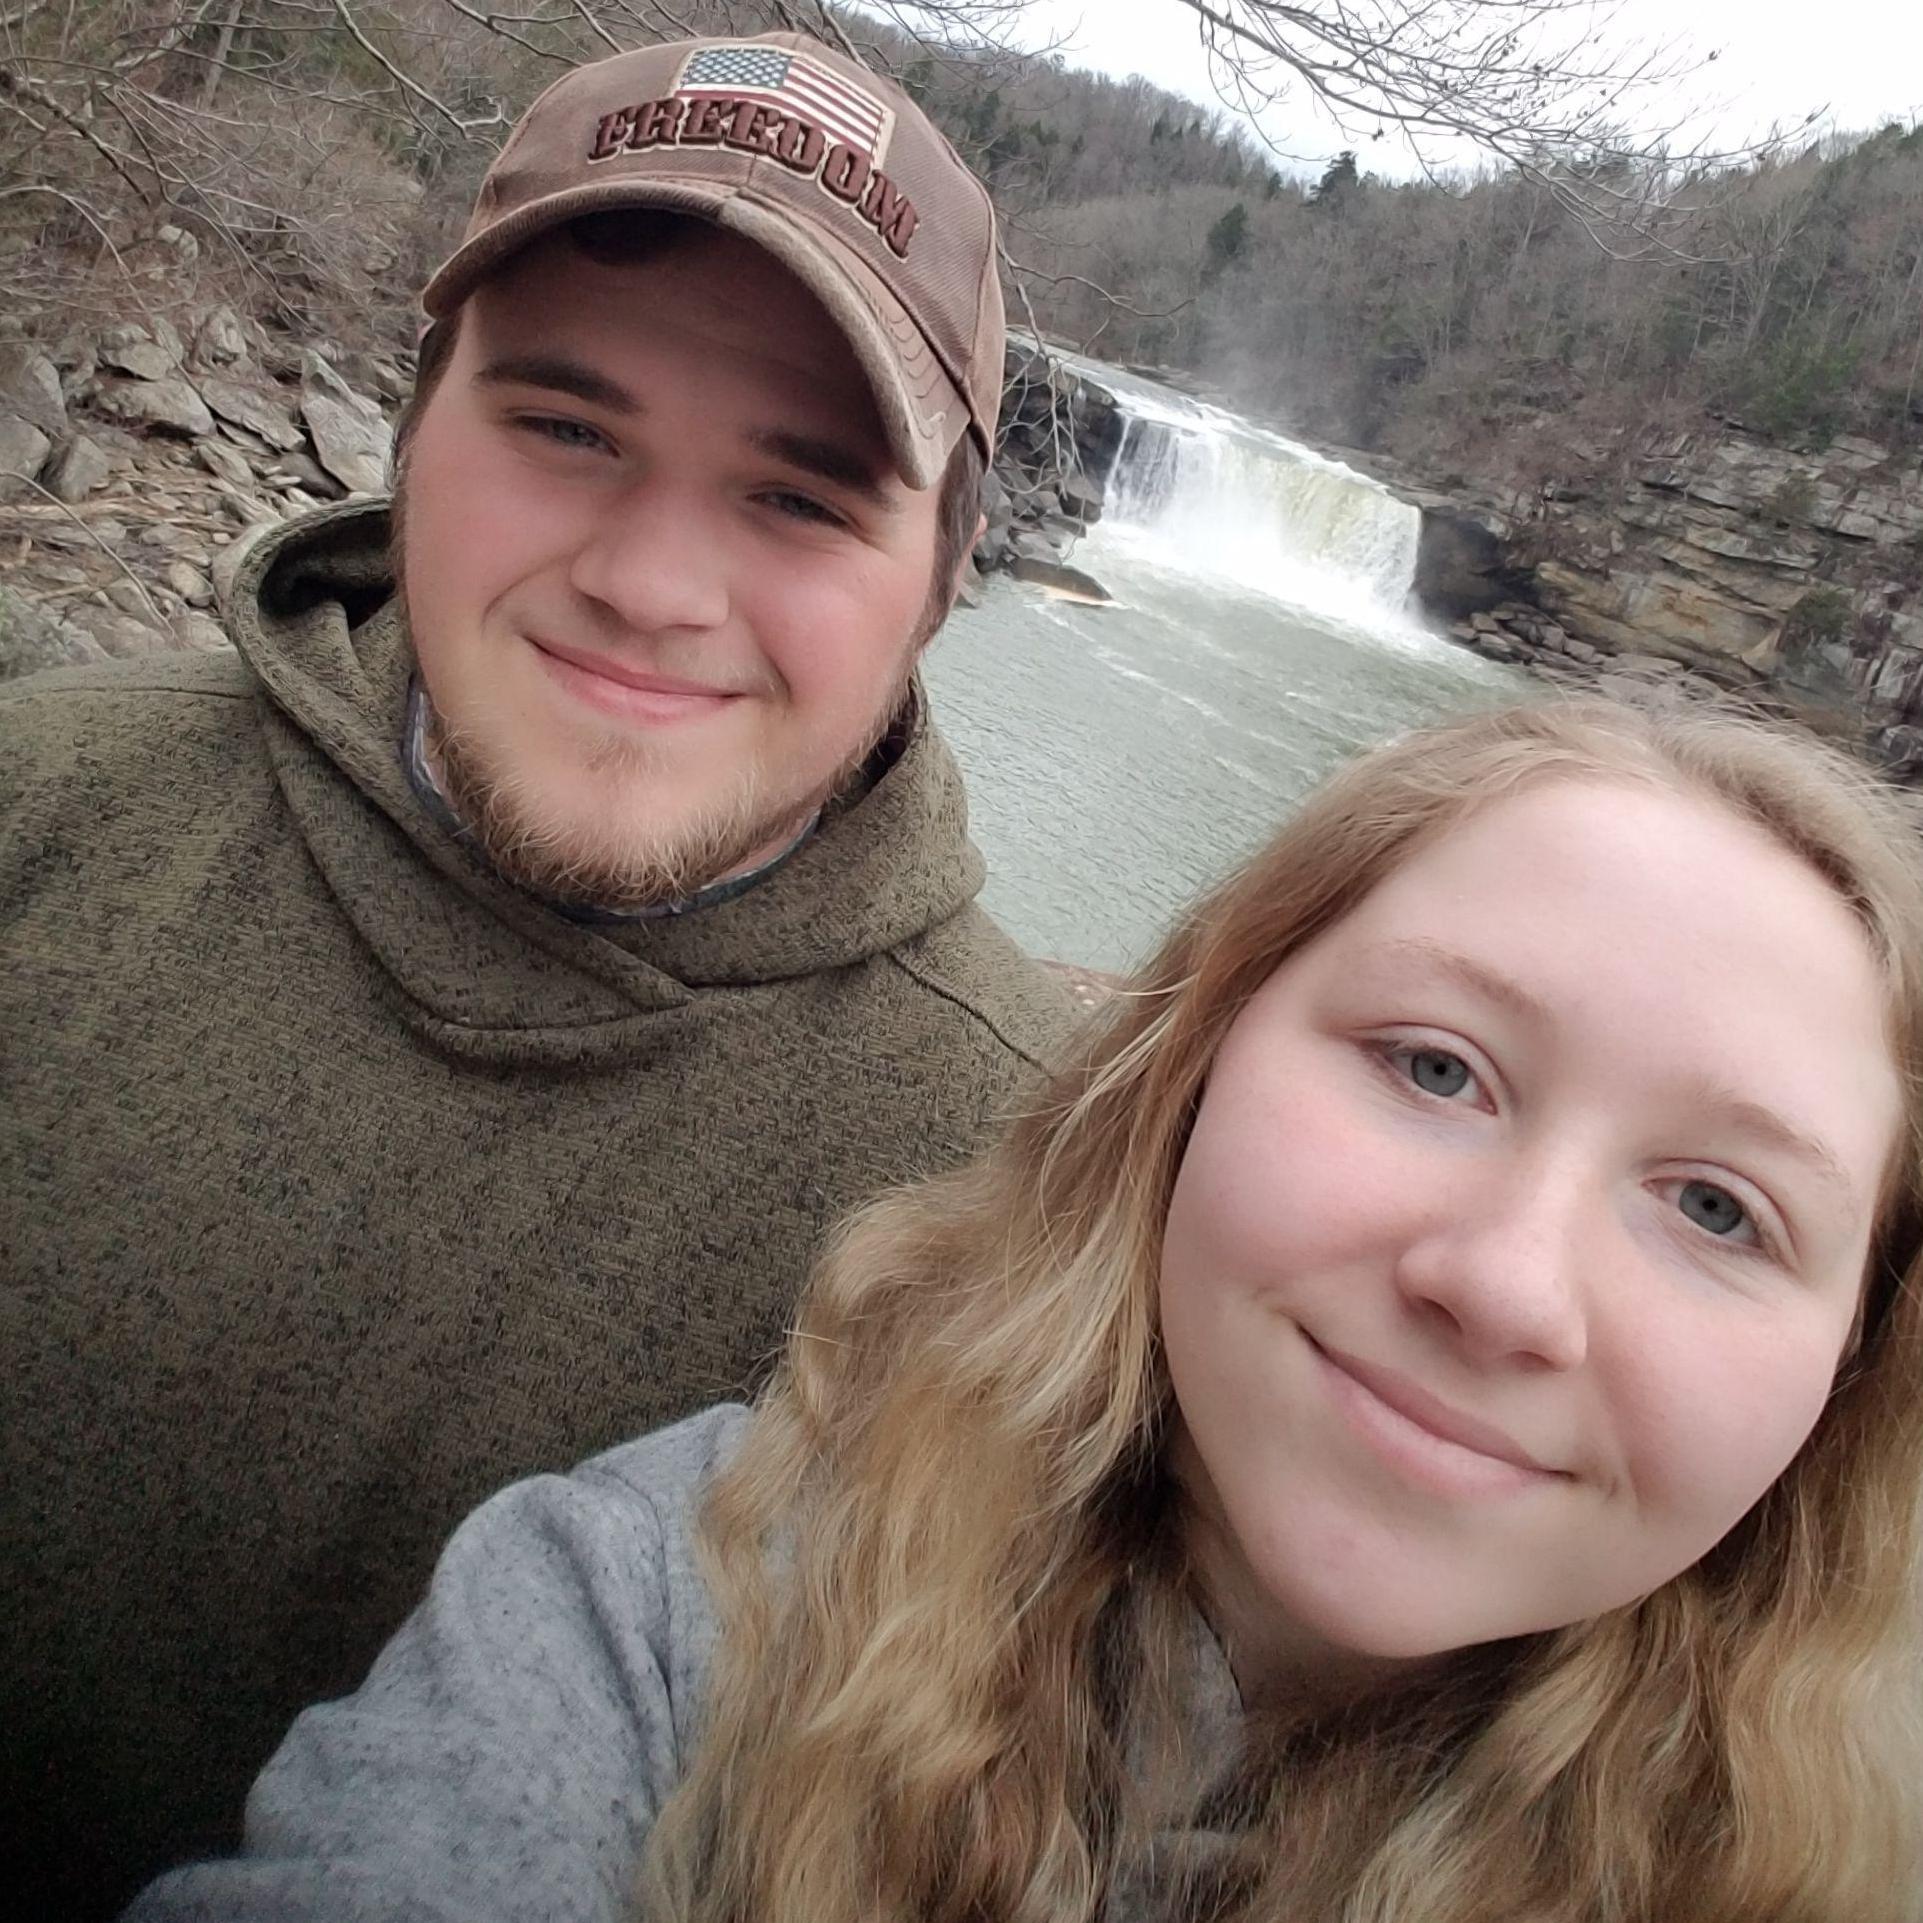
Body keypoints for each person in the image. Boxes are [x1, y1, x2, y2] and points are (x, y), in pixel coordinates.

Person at [126, 695, 1923, 1923]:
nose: (1508, 1285)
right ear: (1191, 1064)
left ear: (1855, 1365)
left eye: (1718, 1208)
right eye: (1435, 1067)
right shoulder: (664, 1621)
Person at [1, 32, 1075, 1918]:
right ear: (411, 430)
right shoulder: (41, 804)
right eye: (568, 431)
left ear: (941, 580)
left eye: (801, 500)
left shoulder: (1029, 1205)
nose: (651, 585)